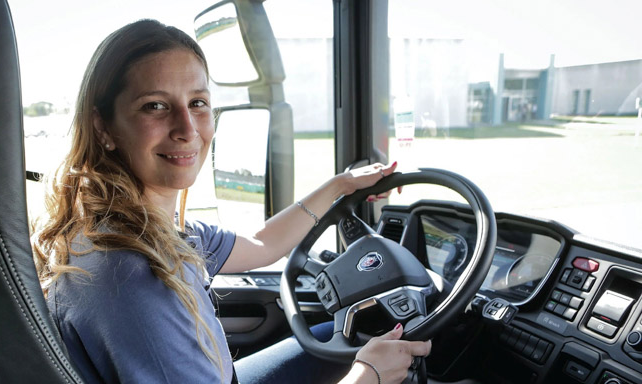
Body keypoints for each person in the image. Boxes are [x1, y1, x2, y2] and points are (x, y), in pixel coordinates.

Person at [33, 19, 431, 384]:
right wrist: (368, 376)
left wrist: (340, 186)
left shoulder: (145, 229)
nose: (187, 129)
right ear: (103, 127)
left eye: (198, 103)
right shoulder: (134, 276)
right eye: (155, 106)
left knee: (332, 336)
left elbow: (262, 244)